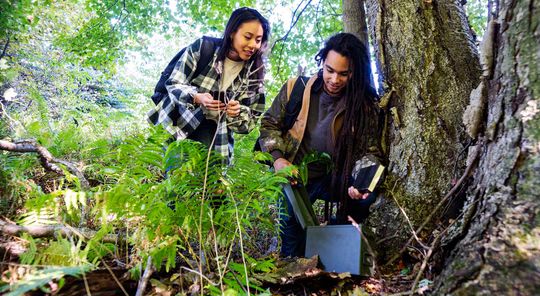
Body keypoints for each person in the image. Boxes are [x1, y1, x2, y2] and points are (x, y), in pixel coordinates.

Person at [258, 33, 385, 257]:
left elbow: (370, 152)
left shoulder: (363, 106)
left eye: (344, 74)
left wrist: (362, 183)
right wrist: (278, 159)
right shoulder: (295, 89)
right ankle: (293, 280)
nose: (335, 79)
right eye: (330, 70)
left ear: (355, 72)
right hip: (295, 178)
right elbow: (269, 124)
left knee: (365, 202)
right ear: (322, 62)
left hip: (336, 180)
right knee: (292, 247)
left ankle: (335, 251)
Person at [147, 7, 270, 163]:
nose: (253, 45)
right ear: (232, 33)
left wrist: (237, 112)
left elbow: (251, 120)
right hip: (179, 121)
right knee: (176, 179)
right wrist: (196, 97)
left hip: (216, 135)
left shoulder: (255, 73)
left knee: (205, 184)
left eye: (258, 40)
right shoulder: (203, 47)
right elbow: (173, 82)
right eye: (248, 37)